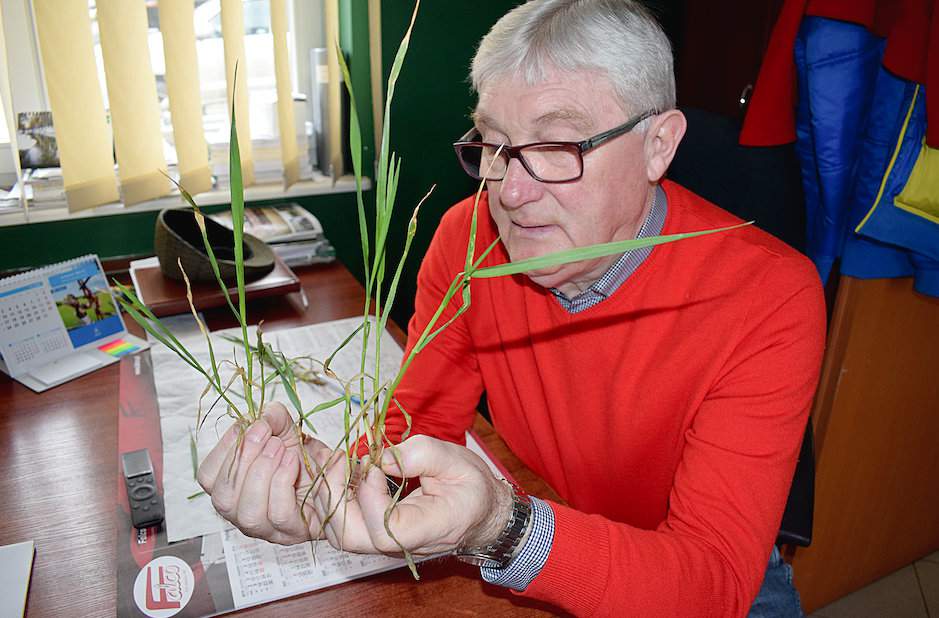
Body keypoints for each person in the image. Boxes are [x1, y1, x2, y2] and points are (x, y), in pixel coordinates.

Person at [196, 1, 825, 615]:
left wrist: (506, 528)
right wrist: (326, 483)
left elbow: (711, 586)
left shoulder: (772, 297)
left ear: (658, 145)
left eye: (556, 146)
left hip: (685, 573)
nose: (512, 192)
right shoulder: (467, 238)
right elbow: (416, 426)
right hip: (547, 520)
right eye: (494, 144)